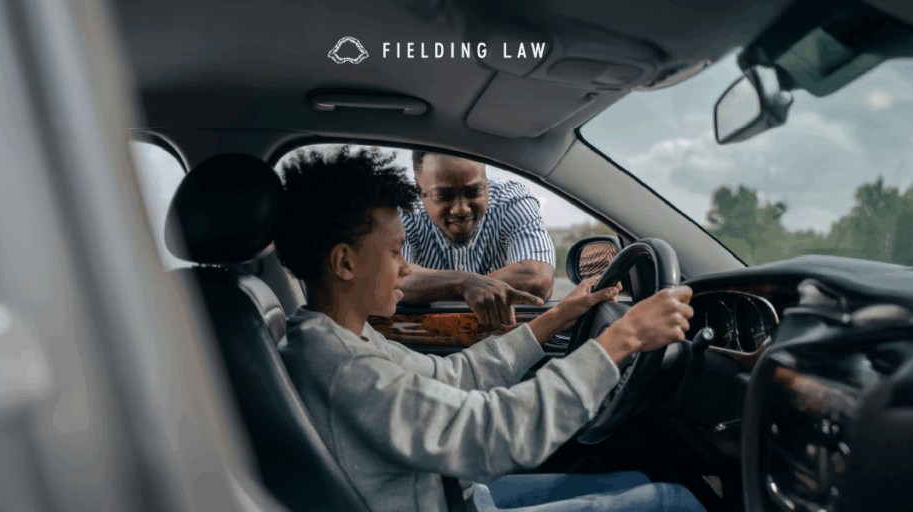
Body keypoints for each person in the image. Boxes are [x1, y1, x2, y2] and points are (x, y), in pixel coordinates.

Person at [273, 146, 705, 512]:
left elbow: (455, 377)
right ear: (345, 263)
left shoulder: (341, 338)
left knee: (631, 478)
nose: (407, 269)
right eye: (394, 252)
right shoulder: (344, 366)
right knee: (673, 500)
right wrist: (623, 338)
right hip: (444, 498)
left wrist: (559, 315)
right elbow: (488, 435)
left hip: (449, 493)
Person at [401, 150, 556, 326]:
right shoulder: (401, 208)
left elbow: (536, 278)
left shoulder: (512, 201)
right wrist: (463, 283)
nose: (461, 210)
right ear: (418, 188)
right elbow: (394, 279)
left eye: (473, 192)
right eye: (444, 196)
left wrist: (433, 287)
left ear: (486, 182)